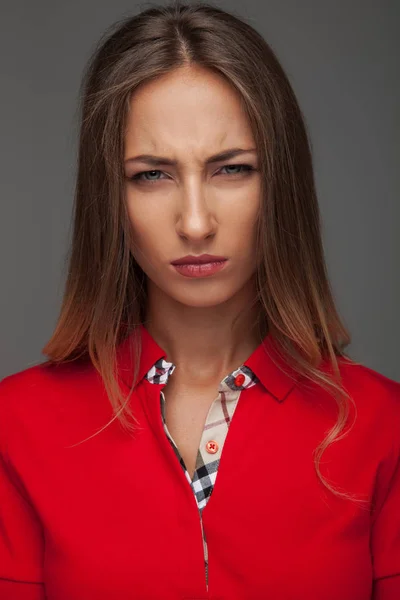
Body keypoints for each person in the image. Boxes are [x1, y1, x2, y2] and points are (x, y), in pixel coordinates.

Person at [0, 1, 399, 599]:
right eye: (151, 175)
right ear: (109, 198)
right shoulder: (16, 425)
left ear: (281, 185)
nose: (194, 222)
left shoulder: (383, 426)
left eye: (232, 169)